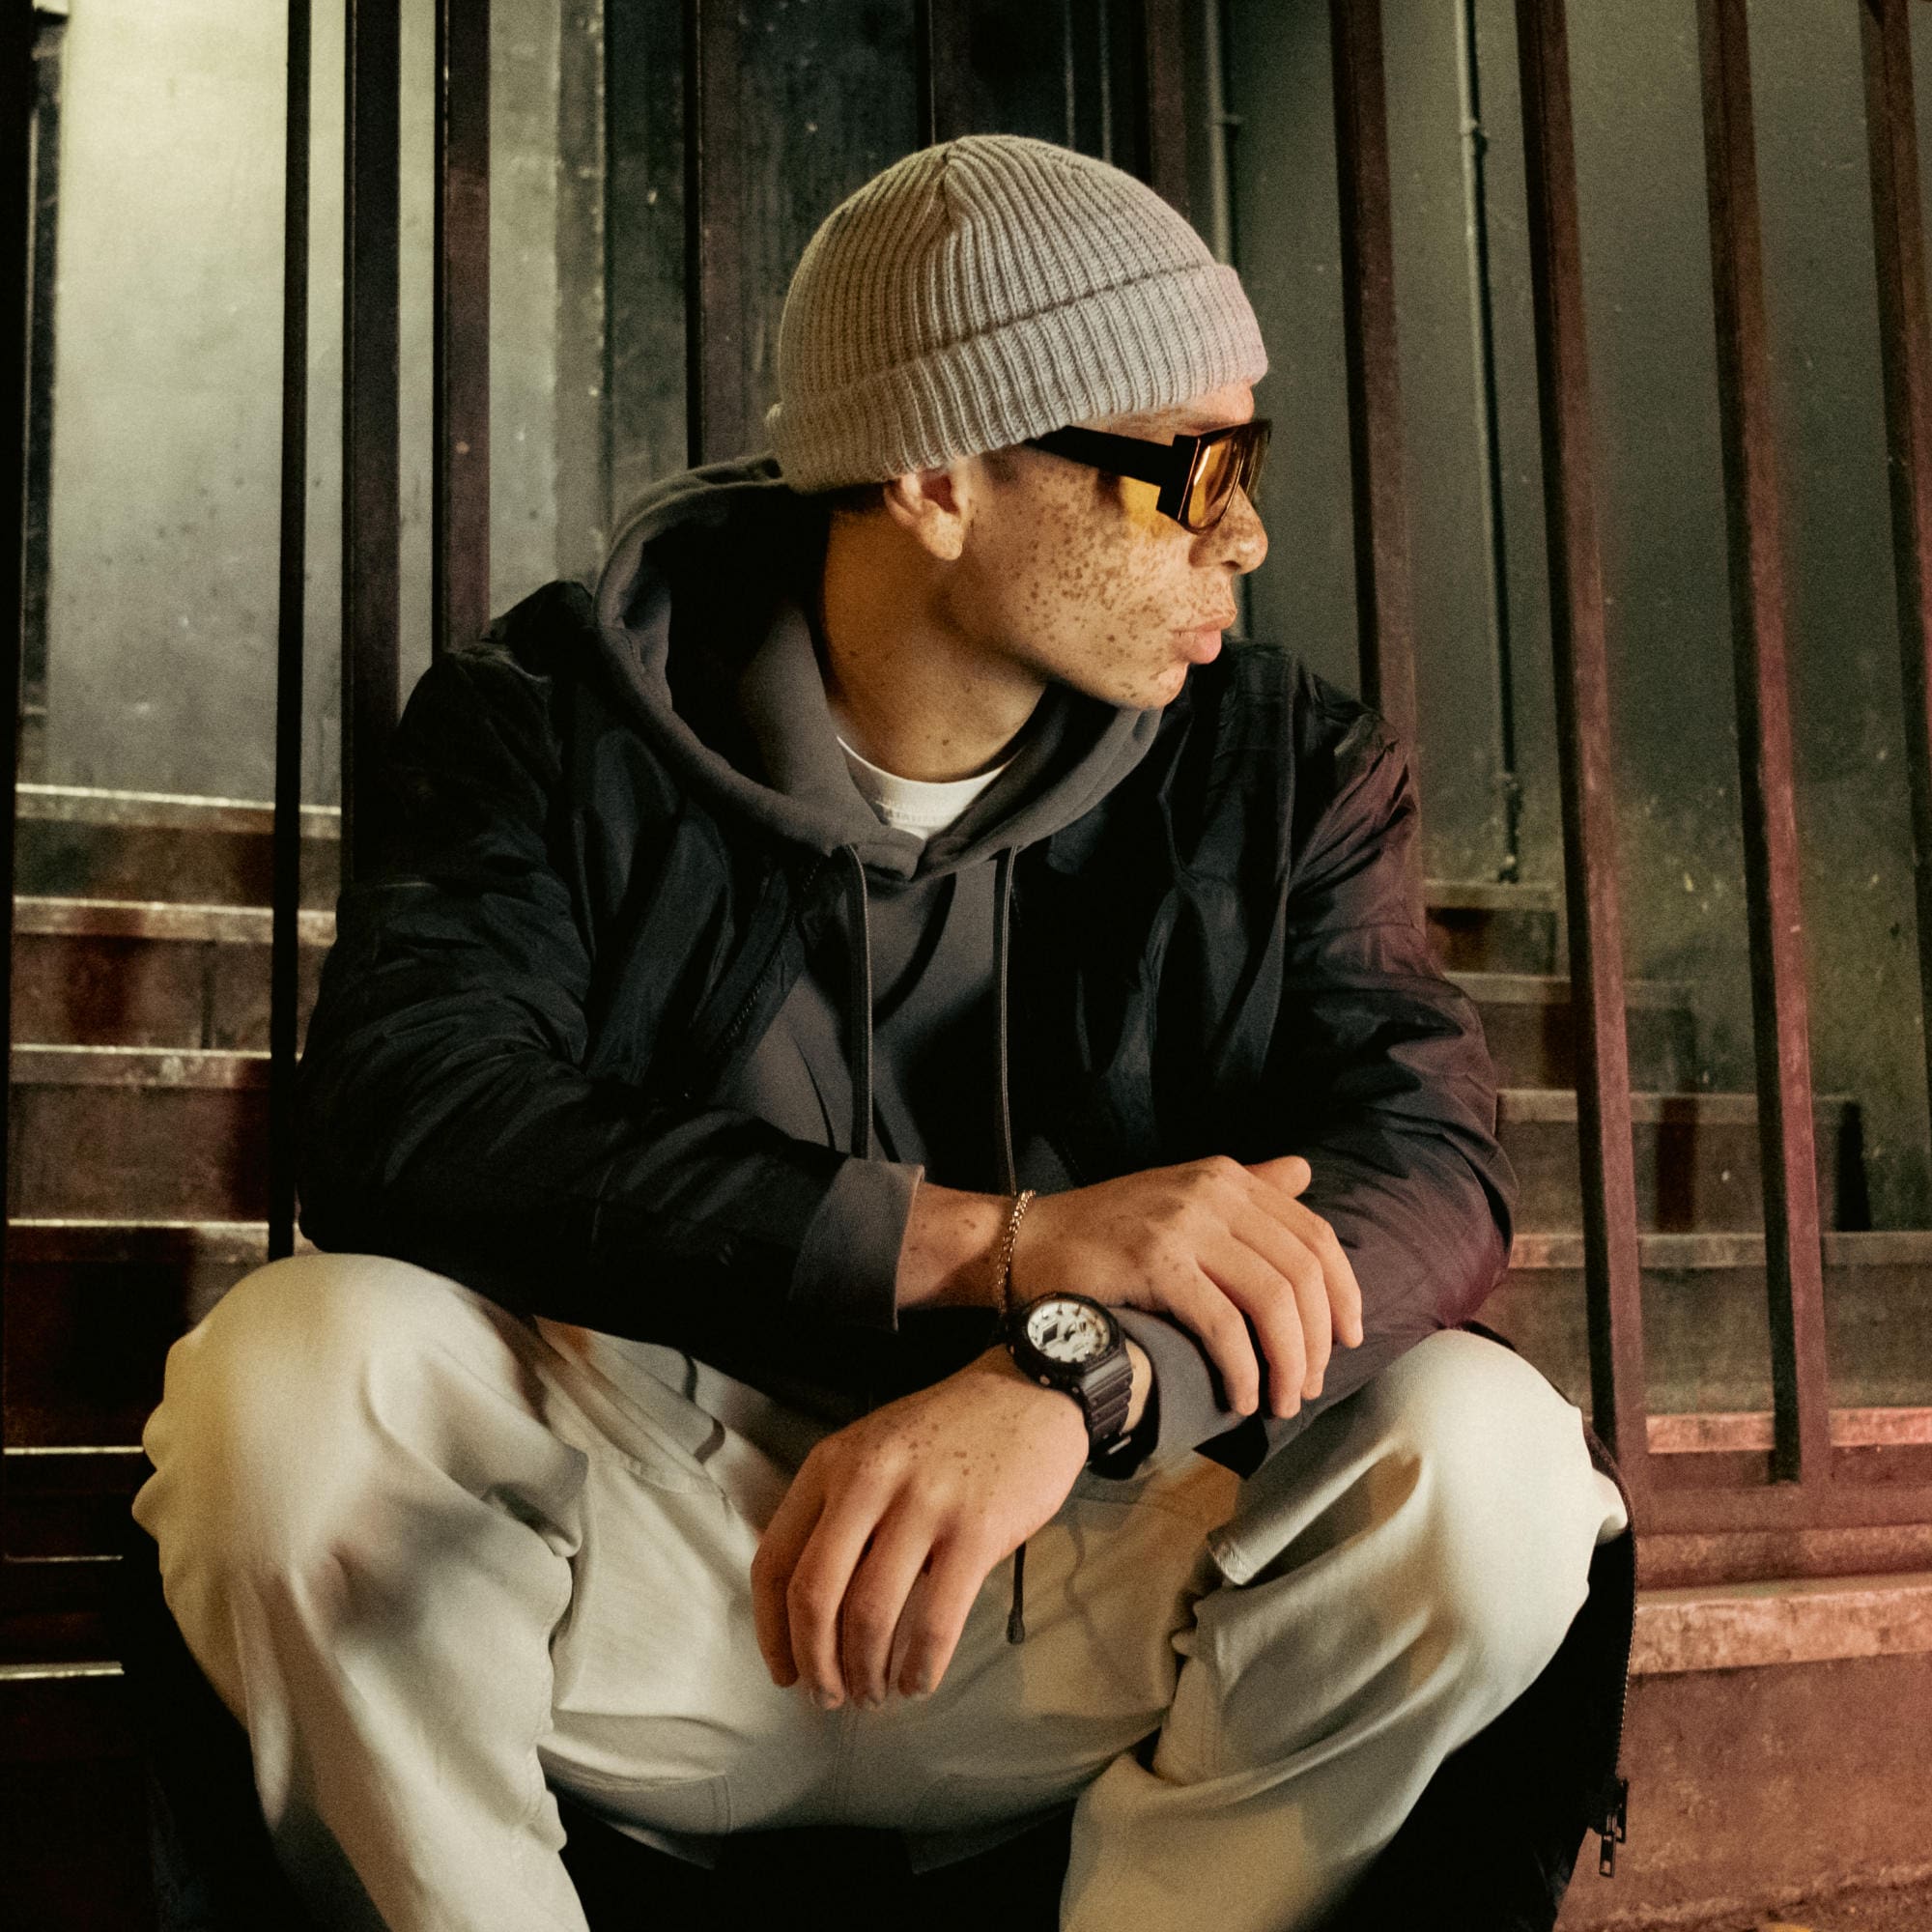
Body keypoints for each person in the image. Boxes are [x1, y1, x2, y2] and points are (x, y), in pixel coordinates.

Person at [133, 133, 1630, 1932]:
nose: (1244, 532)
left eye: (1256, 462)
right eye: (1193, 468)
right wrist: (988, 1245)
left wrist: (1079, 1372)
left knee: (1494, 1459)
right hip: (658, 1570)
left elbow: (1431, 1165)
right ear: (936, 477)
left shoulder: (1284, 769)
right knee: (286, 1383)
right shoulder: (547, 718)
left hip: (1080, 1563)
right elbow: (411, 1113)